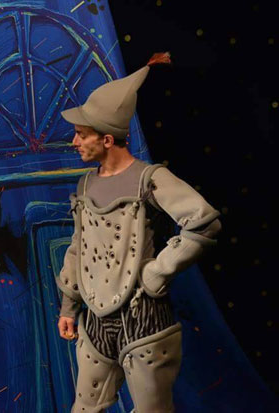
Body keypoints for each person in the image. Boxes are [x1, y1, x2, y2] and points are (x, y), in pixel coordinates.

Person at [55, 52, 221, 412]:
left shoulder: (151, 179)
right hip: (95, 320)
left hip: (143, 316)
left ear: (107, 140)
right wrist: (69, 306)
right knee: (85, 407)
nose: (75, 142)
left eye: (81, 135)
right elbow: (79, 247)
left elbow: (203, 222)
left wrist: (157, 272)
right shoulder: (85, 185)